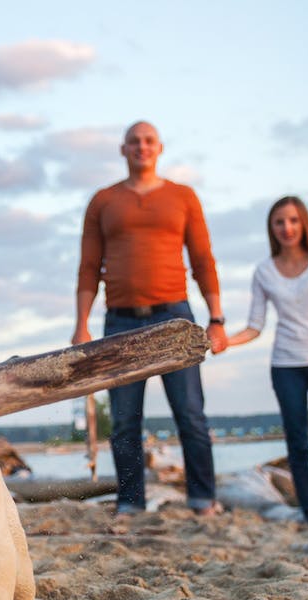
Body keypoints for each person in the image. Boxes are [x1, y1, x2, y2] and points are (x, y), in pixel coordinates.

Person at [72, 120, 228, 516]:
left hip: (174, 318)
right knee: (124, 421)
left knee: (190, 413)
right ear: (123, 150)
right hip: (120, 321)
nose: (141, 147)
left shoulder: (183, 196)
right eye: (134, 141)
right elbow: (89, 267)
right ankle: (130, 502)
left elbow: (203, 260)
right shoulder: (103, 201)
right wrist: (82, 324)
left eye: (148, 141)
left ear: (159, 148)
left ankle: (203, 499)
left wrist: (217, 318)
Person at [226, 196, 308, 529]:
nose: (287, 228)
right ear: (272, 228)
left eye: (293, 220)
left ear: (304, 223)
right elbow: (255, 326)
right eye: (279, 222)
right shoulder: (264, 271)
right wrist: (227, 341)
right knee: (297, 445)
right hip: (286, 366)